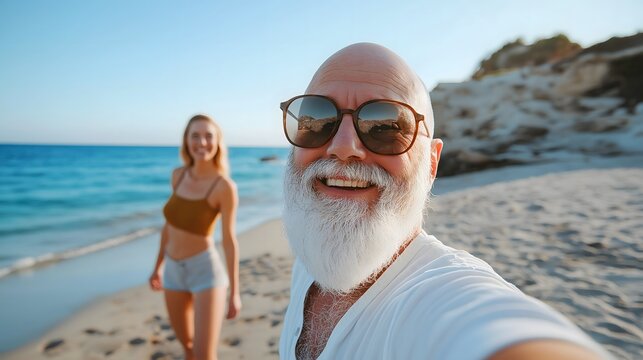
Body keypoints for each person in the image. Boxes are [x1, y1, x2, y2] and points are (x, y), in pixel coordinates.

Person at [278, 43, 610, 360]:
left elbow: (492, 328)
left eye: (385, 126)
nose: (343, 146)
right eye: (317, 119)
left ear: (432, 163)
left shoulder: (441, 295)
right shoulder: (309, 258)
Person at [149, 114, 241, 360]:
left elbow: (229, 240)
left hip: (205, 272)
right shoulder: (178, 175)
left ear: (218, 141)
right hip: (173, 273)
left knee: (204, 355)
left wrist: (235, 292)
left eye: (208, 136)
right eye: (195, 136)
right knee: (187, 347)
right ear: (187, 141)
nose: (202, 142)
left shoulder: (224, 187)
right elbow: (169, 227)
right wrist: (158, 266)